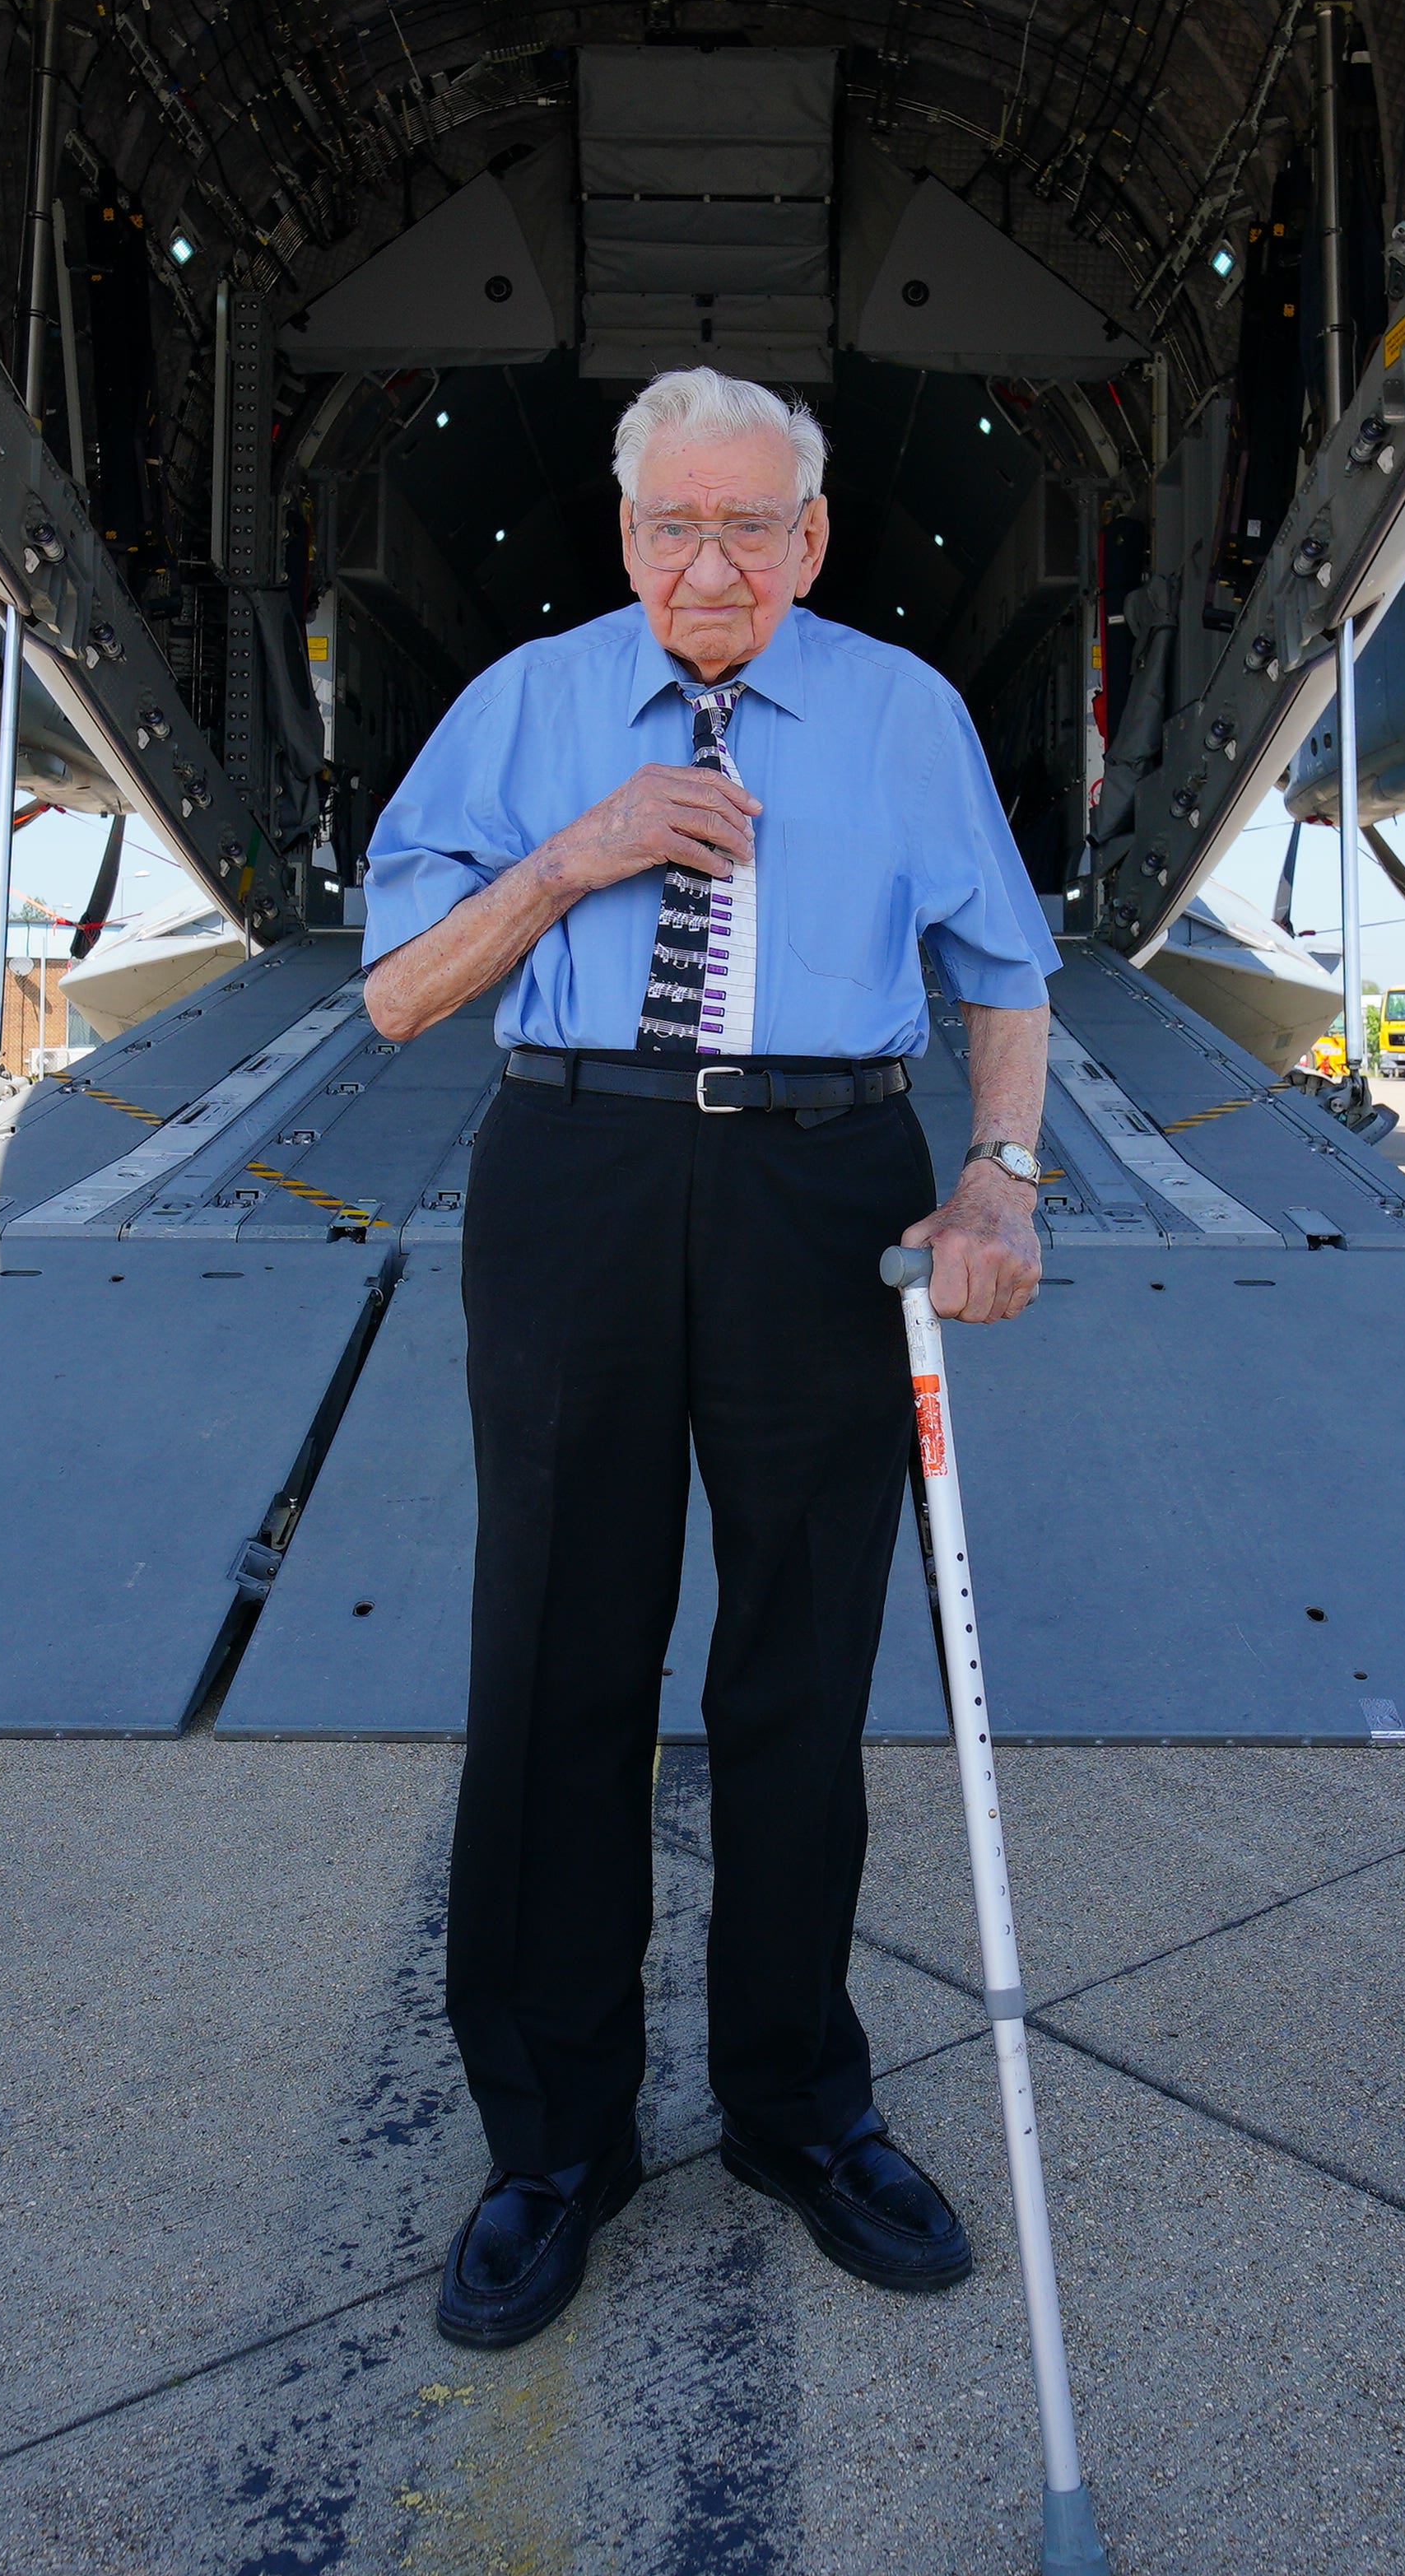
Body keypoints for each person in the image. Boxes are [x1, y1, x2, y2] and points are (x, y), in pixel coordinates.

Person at [361, 364, 1059, 2351]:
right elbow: (402, 992)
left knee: (799, 1661)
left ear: (815, 538)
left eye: (758, 523)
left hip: (828, 1178)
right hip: (577, 1164)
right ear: (626, 531)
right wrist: (579, 850)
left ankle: (794, 2102)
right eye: (678, 521)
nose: (715, 559)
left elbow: (1002, 962)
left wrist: (999, 1180)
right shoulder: (529, 705)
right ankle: (555, 2140)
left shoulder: (904, 714)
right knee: (559, 1656)